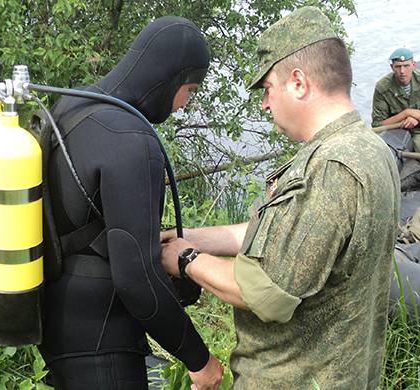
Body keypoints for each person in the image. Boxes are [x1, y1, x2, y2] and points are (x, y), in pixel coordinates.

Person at [161, 6, 400, 389]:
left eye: (268, 88)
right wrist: (192, 235)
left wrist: (185, 258)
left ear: (299, 83)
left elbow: (264, 292)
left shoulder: (331, 169)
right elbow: (273, 232)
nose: (265, 104)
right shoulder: (369, 148)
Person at [38, 16, 223, 390]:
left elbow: (81, 218)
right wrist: (199, 359)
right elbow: (137, 280)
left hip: (57, 325)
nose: (183, 105)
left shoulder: (71, 105)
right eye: (189, 90)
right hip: (102, 348)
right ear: (171, 79)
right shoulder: (131, 140)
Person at [372, 47, 420, 152]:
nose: (402, 71)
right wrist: (406, 114)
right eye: (398, 67)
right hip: (418, 132)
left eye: (406, 66)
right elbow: (378, 125)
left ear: (414, 65)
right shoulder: (383, 87)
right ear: (392, 67)